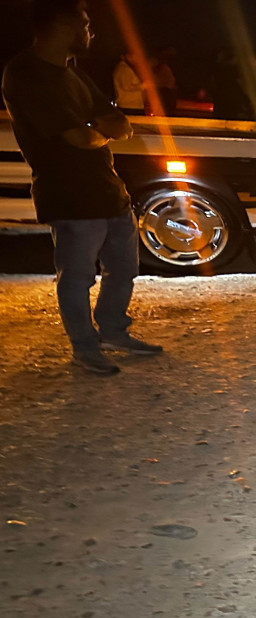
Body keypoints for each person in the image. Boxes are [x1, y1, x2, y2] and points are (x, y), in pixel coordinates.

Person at [1, 0, 162, 375]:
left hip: (109, 190)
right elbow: (76, 137)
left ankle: (112, 331)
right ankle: (85, 348)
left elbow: (118, 124)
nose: (91, 32)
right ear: (63, 27)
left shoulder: (72, 72)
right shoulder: (26, 73)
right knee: (77, 278)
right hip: (69, 195)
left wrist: (100, 130)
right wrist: (100, 130)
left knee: (123, 269)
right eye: (86, 25)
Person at [112, 49, 144, 114]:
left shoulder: (128, 68)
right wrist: (144, 86)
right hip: (129, 106)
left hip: (133, 105)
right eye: (131, 56)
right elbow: (126, 86)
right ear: (123, 56)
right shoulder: (124, 69)